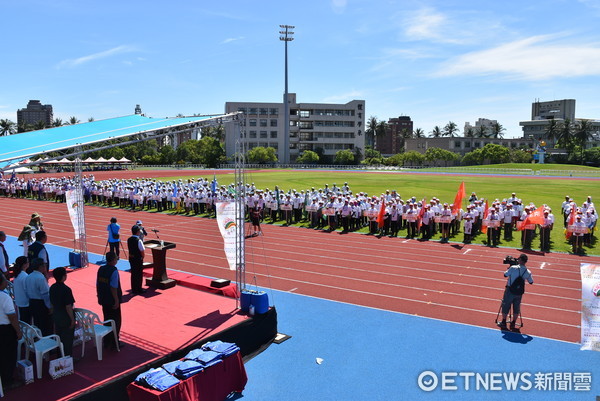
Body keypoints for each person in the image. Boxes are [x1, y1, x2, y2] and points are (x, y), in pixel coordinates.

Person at [499, 254, 534, 330]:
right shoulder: (527, 271)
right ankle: (513, 323)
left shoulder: (513, 268)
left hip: (510, 290)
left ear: (520, 260)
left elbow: (505, 275)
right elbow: (531, 282)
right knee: (516, 307)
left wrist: (509, 268)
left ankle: (504, 322)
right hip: (519, 292)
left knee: (506, 305)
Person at [0, 274, 22, 390]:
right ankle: (7, 381)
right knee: (8, 355)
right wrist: (18, 331)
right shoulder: (4, 297)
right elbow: (12, 317)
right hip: (5, 330)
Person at [97, 251, 123, 349]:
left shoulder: (101, 269)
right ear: (113, 260)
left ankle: (107, 341)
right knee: (116, 321)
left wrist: (99, 296)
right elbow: (113, 287)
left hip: (104, 298)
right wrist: (116, 300)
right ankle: (115, 342)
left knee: (107, 319)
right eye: (116, 258)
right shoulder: (114, 271)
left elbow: (98, 284)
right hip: (111, 300)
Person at [49, 267, 76, 356]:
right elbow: (68, 306)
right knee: (67, 340)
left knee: (59, 337)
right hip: (65, 317)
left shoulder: (52, 287)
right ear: (63, 276)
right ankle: (67, 358)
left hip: (57, 315)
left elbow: (52, 303)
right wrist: (72, 320)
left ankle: (60, 355)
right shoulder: (66, 289)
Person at [25, 258, 53, 336]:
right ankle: (47, 343)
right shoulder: (40, 278)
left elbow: (26, 290)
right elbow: (45, 294)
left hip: (32, 303)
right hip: (41, 304)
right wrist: (50, 306)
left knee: (37, 323)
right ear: (40, 267)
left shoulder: (29, 276)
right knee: (46, 326)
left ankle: (39, 339)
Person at [128, 225, 146, 294]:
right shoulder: (139, 241)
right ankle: (139, 289)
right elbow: (142, 251)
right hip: (138, 259)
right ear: (137, 232)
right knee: (139, 274)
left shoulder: (129, 239)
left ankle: (134, 289)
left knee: (133, 274)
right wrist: (142, 257)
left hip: (131, 259)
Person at [12, 256, 31, 324]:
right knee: (26, 322)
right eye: (28, 262)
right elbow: (28, 291)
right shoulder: (25, 276)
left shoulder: (17, 275)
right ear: (24, 265)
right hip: (25, 303)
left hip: (19, 302)